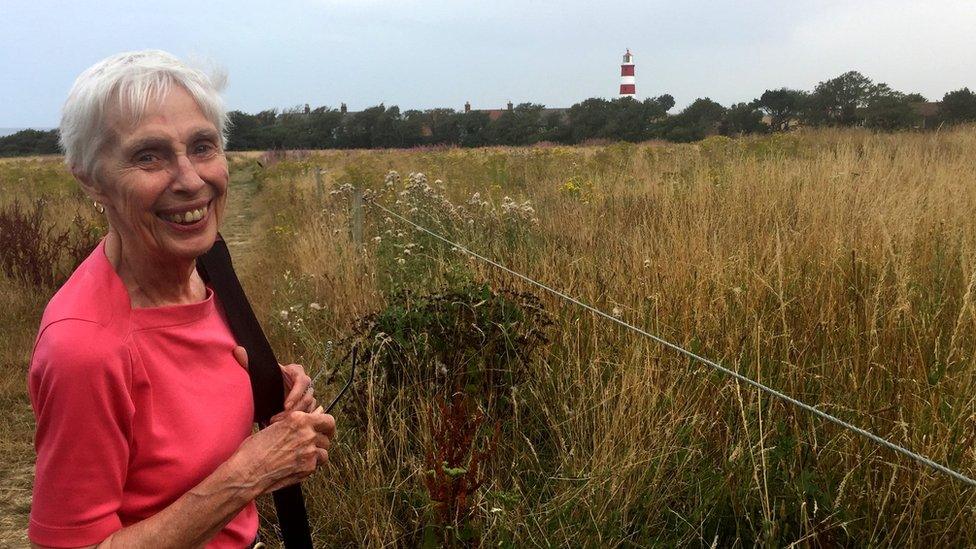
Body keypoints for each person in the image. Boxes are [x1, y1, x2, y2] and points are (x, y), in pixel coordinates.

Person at [27, 50, 335, 548]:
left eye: (203, 146)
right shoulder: (84, 348)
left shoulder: (209, 263)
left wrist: (265, 384)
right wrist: (249, 474)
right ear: (89, 178)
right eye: (147, 156)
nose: (190, 179)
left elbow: (176, 394)